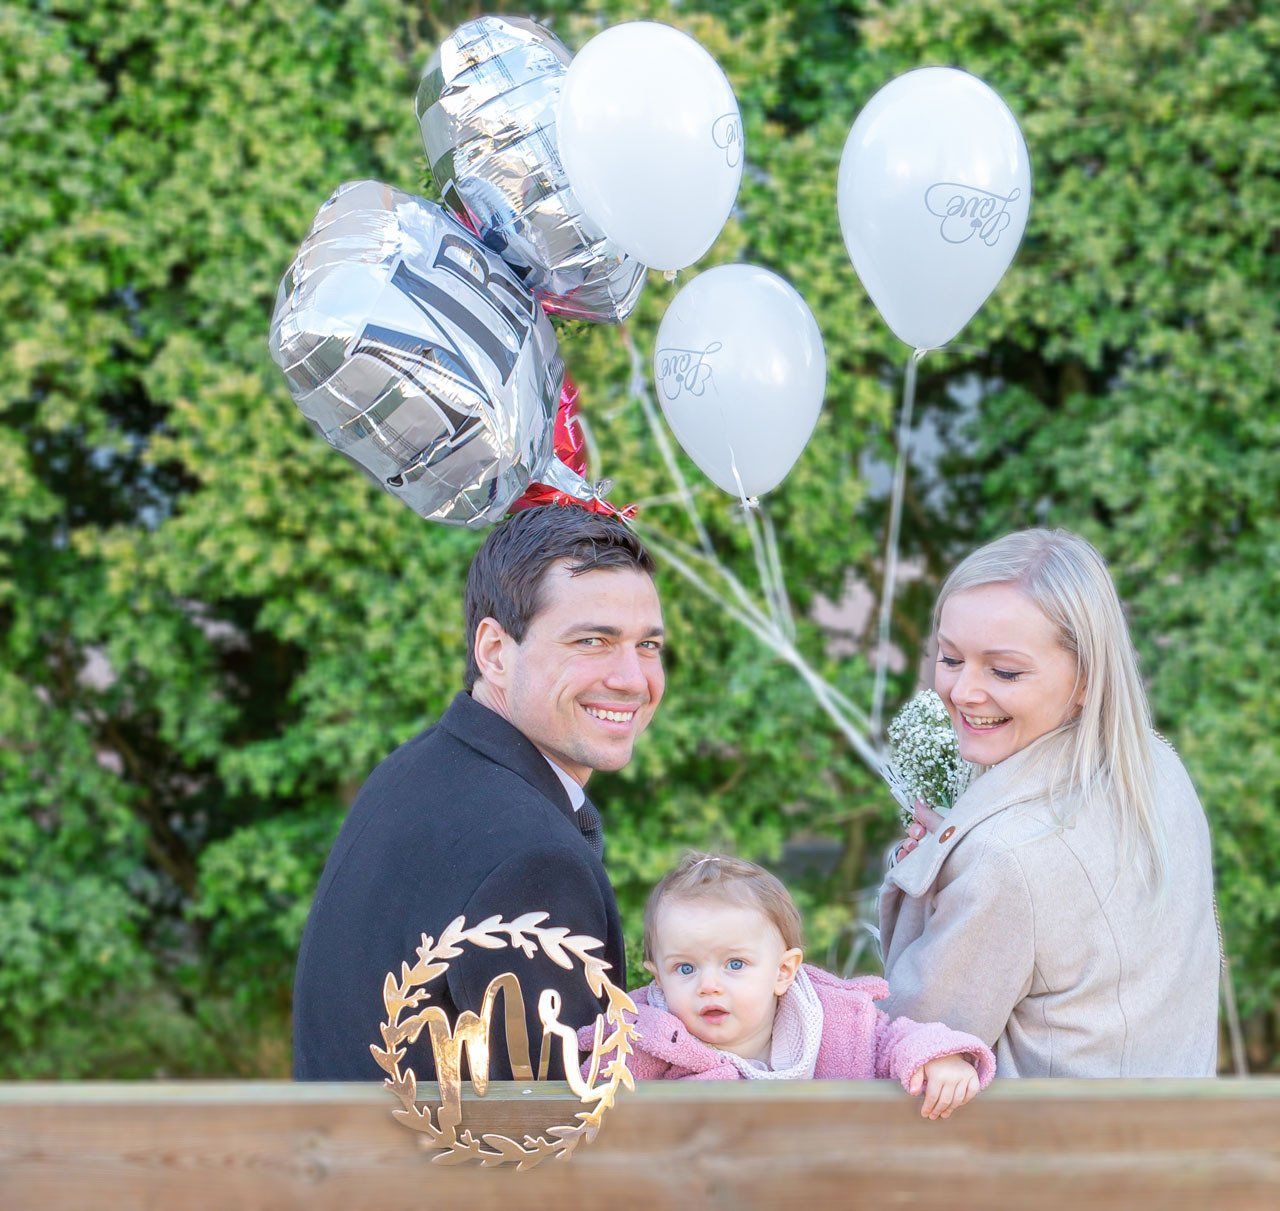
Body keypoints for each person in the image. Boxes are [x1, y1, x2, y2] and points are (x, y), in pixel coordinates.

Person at [292, 505, 665, 1080]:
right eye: (592, 641)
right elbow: (564, 1121)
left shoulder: (416, 770)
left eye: (648, 645)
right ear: (494, 652)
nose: (633, 679)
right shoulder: (534, 859)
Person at [879, 528, 1220, 1076]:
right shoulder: (1158, 767)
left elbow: (908, 1046)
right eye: (949, 657)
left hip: (1043, 1132)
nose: (962, 692)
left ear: (1086, 677)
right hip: (1175, 1122)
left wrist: (948, 875)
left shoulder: (1003, 858)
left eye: (1004, 671)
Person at [579, 852, 994, 1118]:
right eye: (684, 969)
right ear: (658, 977)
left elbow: (892, 1040)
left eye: (735, 964)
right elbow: (592, 1111)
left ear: (783, 972)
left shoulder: (835, 1021)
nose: (708, 985)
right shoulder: (642, 1040)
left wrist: (935, 1058)